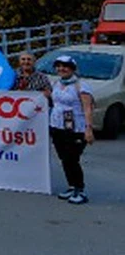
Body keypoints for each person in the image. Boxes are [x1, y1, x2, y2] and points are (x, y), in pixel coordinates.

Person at [49, 55, 94, 204]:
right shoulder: (56, 83)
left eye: (65, 66)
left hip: (76, 128)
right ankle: (71, 186)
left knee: (72, 158)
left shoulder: (81, 86)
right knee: (64, 158)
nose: (61, 69)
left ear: (72, 69)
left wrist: (88, 129)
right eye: (59, 66)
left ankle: (80, 189)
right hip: (57, 126)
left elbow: (88, 108)